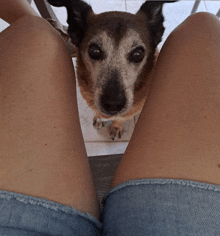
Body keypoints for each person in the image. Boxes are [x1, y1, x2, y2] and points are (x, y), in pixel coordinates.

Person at [1, 0, 220, 235]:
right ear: (78, 39)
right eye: (96, 52)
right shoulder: (86, 69)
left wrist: (118, 119)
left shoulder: (141, 88)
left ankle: (116, 122)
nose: (114, 97)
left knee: (32, 32)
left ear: (154, 38)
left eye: (136, 55)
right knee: (205, 26)